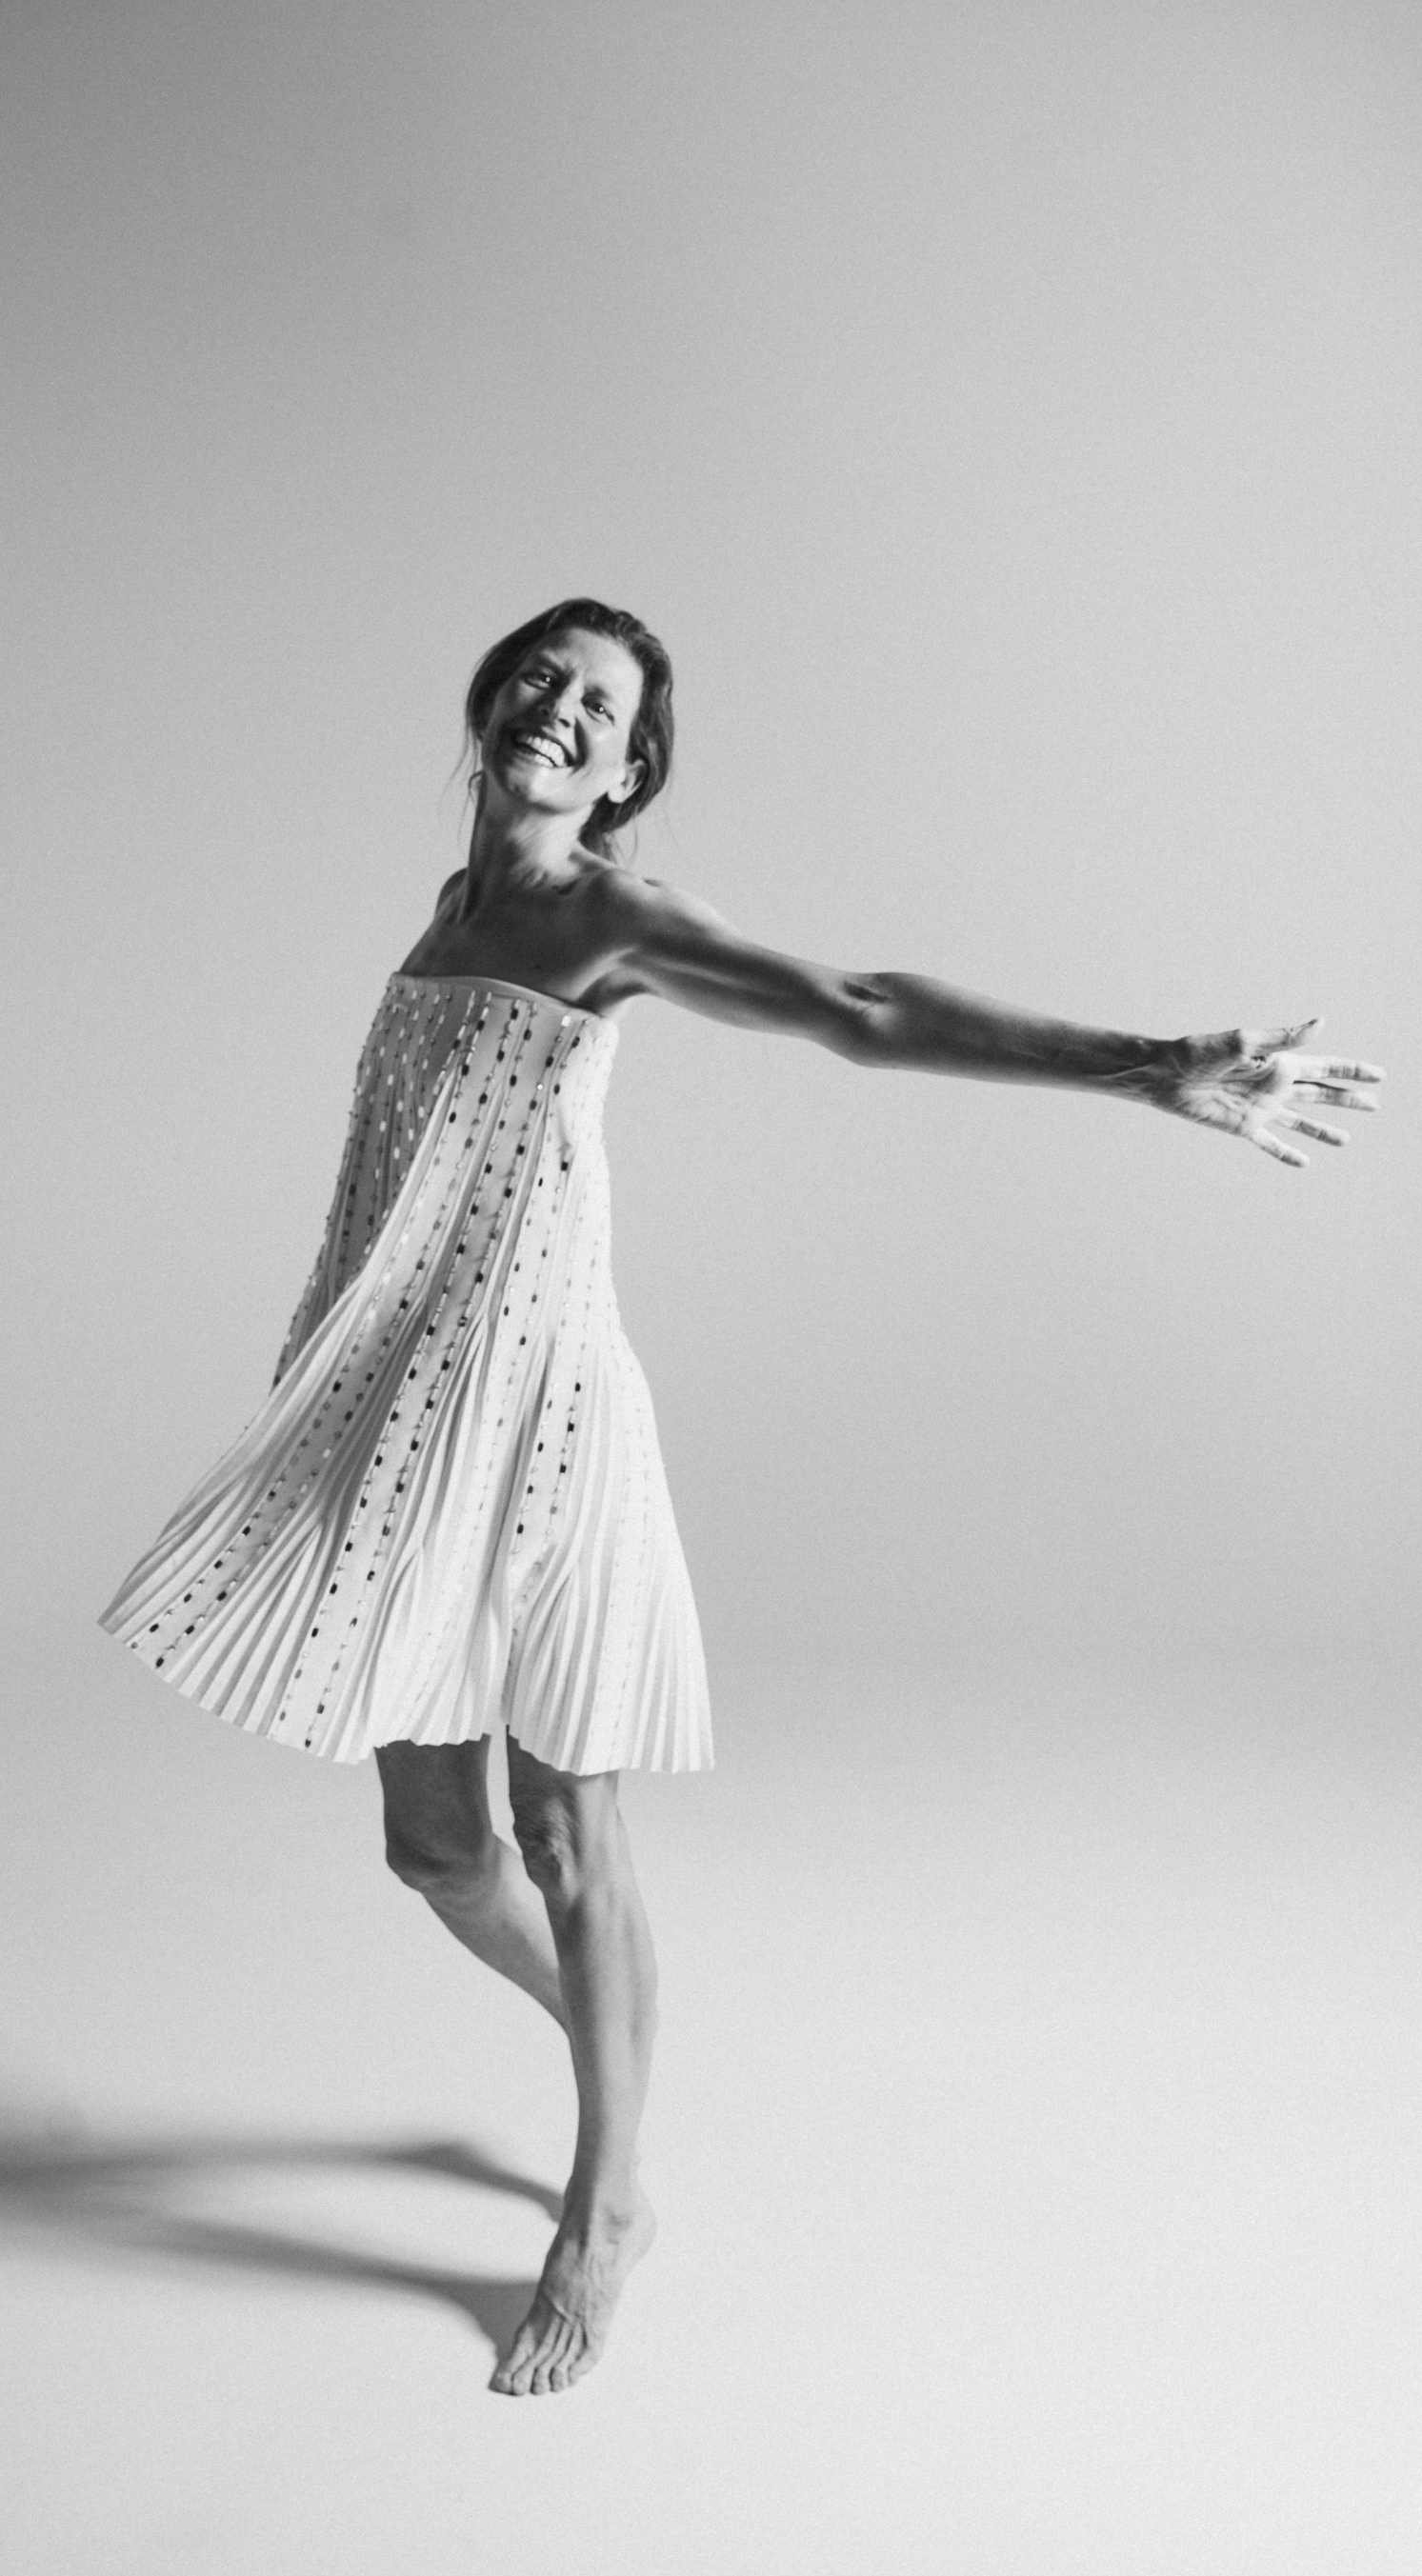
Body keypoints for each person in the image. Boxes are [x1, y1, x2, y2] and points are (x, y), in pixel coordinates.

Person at [99, 596, 1384, 2398]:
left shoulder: (609, 919)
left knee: (566, 1831)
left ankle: (606, 2198)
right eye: (541, 675)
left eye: (602, 706)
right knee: (436, 1849)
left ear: (629, 773)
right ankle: (615, 2037)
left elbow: (861, 1010)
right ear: (488, 701)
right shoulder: (452, 910)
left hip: (539, 1410)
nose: (559, 709)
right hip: (402, 1417)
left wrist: (1145, 1063)